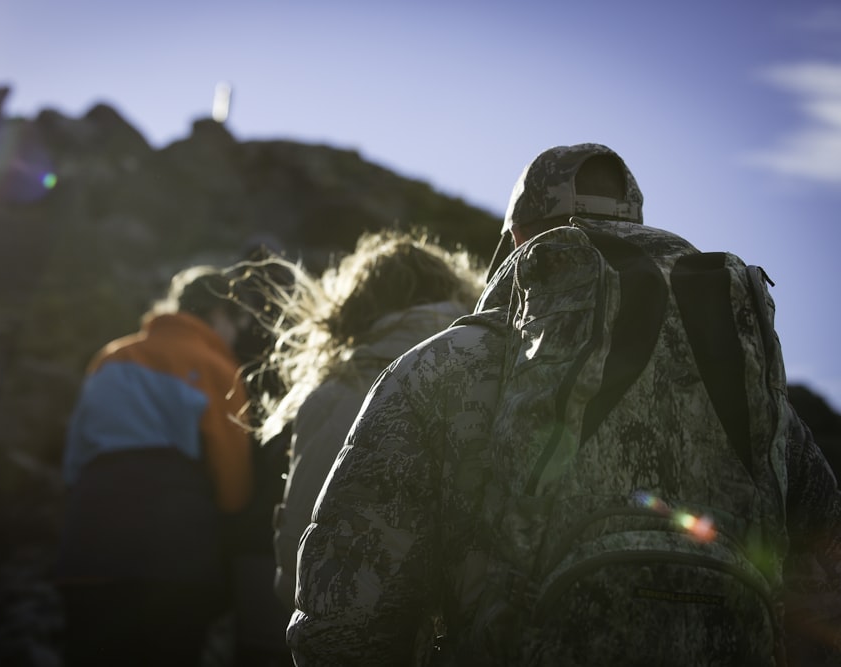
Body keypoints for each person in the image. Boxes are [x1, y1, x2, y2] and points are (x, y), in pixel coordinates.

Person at [286, 144, 841, 665]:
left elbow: (348, 608)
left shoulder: (441, 368)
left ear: (518, 237)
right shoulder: (748, 388)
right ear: (632, 229)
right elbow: (825, 583)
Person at [249, 229, 484, 611]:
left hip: (355, 626)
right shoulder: (493, 373)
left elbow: (300, 549)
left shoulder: (333, 396)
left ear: (353, 309)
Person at [55, 264, 254, 667]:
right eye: (238, 323)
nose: (236, 336)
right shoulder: (216, 368)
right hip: (174, 556)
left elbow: (74, 460)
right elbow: (234, 481)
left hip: (91, 541)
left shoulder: (112, 357)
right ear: (219, 315)